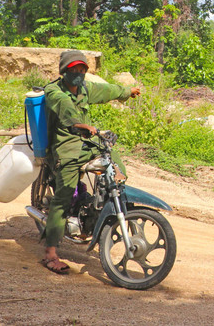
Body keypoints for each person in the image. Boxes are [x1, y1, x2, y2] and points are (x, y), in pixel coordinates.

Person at [40, 49, 140, 275]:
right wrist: (79, 124)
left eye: (82, 69)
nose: (78, 73)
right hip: (66, 147)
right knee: (63, 196)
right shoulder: (54, 91)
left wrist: (127, 91)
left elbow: (107, 90)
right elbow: (64, 106)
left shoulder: (85, 88)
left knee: (114, 163)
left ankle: (102, 209)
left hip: (87, 141)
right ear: (64, 71)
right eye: (74, 69)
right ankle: (50, 253)